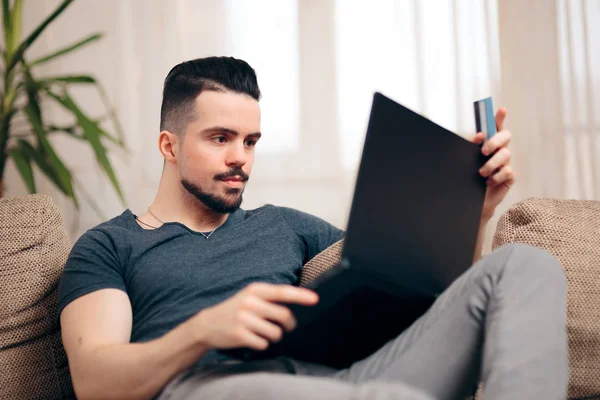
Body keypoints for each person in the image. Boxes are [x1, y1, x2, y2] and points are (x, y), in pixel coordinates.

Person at [58, 57, 567, 400]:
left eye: (251, 141)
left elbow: (425, 293)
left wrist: (473, 211)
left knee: (526, 264)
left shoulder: (285, 226)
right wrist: (202, 331)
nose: (240, 158)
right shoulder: (109, 245)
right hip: (209, 385)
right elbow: (94, 378)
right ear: (169, 146)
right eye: (220, 138)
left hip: (340, 381)